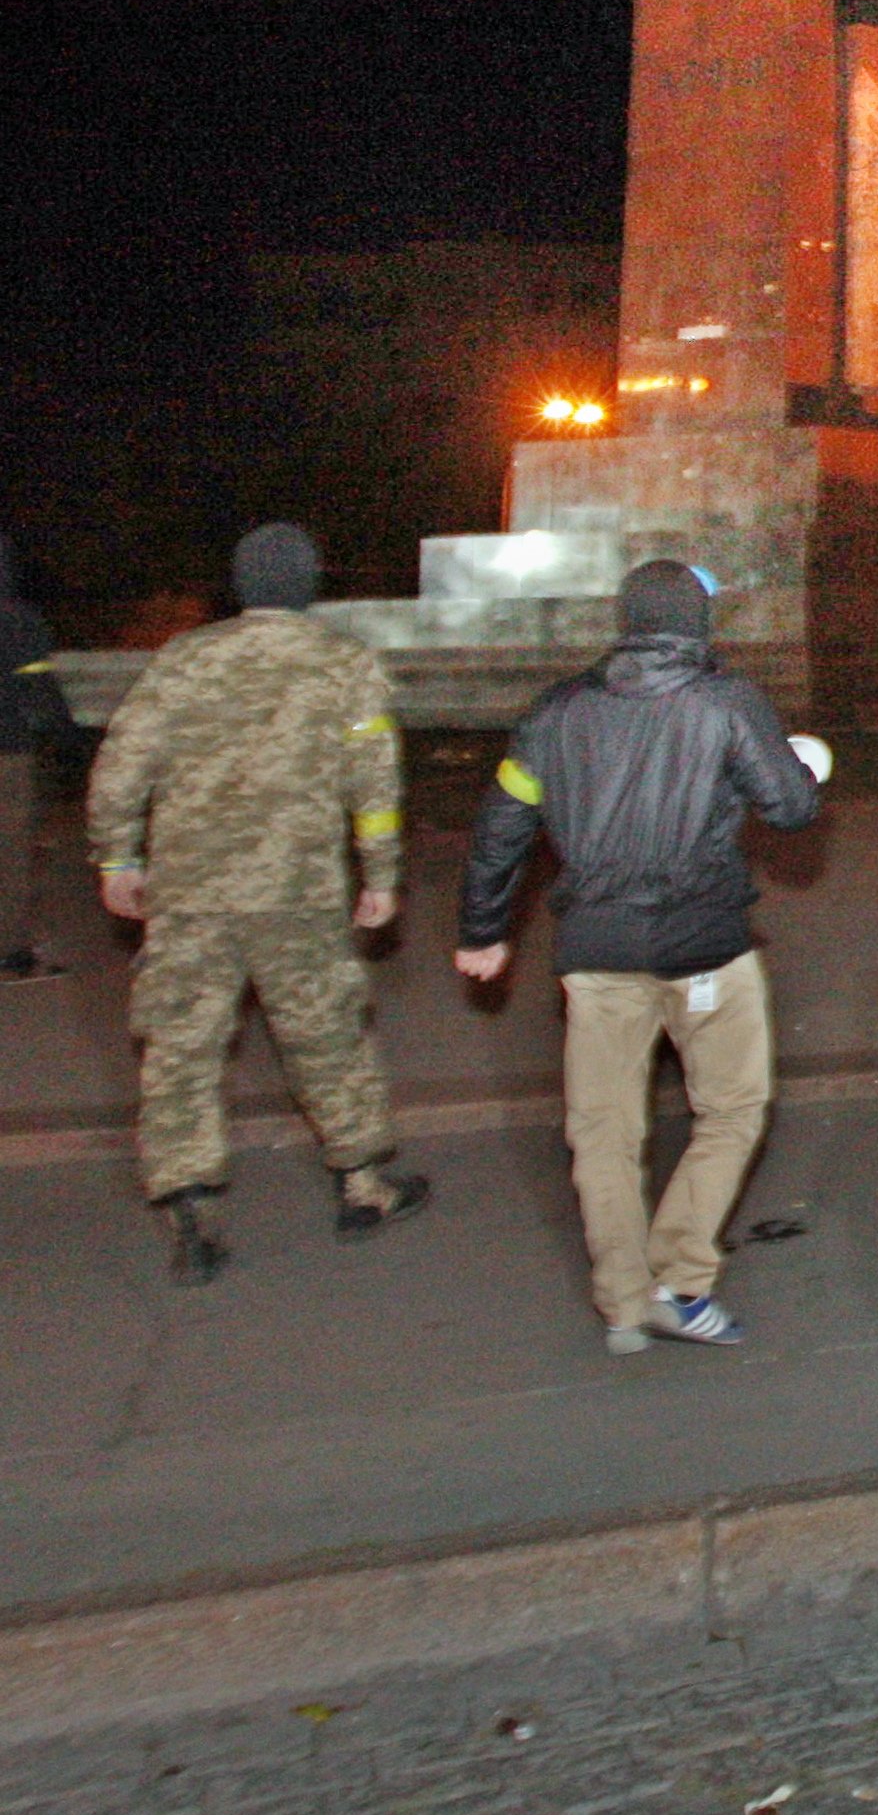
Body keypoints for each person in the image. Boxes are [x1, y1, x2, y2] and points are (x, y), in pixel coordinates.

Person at [455, 561, 824, 1352]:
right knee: (729, 1110)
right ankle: (682, 1280)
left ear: (626, 622)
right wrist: (806, 764)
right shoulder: (728, 703)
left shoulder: (556, 713)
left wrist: (483, 931)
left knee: (603, 1133)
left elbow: (501, 831)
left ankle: (624, 1302)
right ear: (698, 625)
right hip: (705, 952)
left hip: (596, 952)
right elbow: (790, 807)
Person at [87, 524, 427, 1284]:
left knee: (181, 1045)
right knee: (325, 1035)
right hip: (297, 893)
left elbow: (121, 764)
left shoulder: (185, 659)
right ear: (310, 585)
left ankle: (190, 1207)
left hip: (189, 893)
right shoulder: (344, 664)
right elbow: (375, 784)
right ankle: (363, 1186)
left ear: (240, 586)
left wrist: (118, 856)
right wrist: (380, 876)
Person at [0, 533, 68, 980]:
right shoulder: (20, 620)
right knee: (11, 850)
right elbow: (41, 692)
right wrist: (67, 739)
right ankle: (12, 948)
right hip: (10, 750)